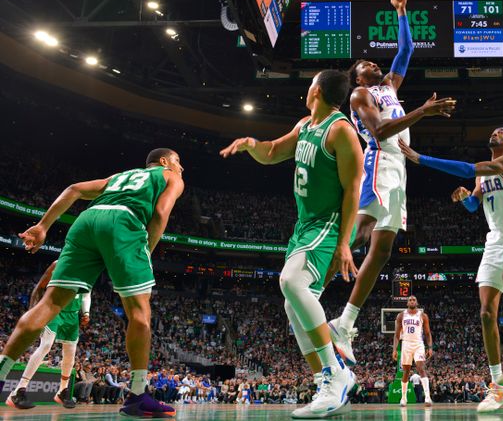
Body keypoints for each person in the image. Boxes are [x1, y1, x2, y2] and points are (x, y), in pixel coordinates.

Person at [0, 148, 184, 418]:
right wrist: (147, 249)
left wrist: (42, 226)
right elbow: (160, 212)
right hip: (124, 222)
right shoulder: (171, 176)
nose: (182, 168)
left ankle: (2, 371)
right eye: (179, 162)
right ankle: (136, 395)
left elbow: (74, 189)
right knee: (140, 313)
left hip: (86, 220)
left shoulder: (121, 176)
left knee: (50, 303)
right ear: (165, 161)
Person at [220, 69, 361, 418]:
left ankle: (337, 375)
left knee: (291, 282)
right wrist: (252, 144)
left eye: (311, 81)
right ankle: (325, 382)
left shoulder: (341, 131)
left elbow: (353, 189)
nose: (307, 86)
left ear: (318, 90)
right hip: (303, 226)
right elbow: (271, 153)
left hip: (327, 224)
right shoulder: (305, 125)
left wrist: (344, 242)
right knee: (292, 304)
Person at [328, 0, 457, 366]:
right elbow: (382, 129)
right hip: (380, 160)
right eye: (363, 63)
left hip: (399, 170)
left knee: (382, 250)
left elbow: (408, 47)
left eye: (372, 61)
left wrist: (400, 8)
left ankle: (345, 323)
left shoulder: (390, 86)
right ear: (357, 77)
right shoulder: (360, 94)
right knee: (361, 233)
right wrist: (424, 111)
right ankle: (311, 276)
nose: (371, 61)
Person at [399, 128, 503, 413]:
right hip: (496, 238)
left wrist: (419, 158)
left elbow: (464, 168)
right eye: (495, 131)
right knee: (486, 313)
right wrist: (465, 198)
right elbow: (475, 205)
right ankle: (498, 386)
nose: (496, 133)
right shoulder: (482, 175)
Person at [5, 260, 91, 409]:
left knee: (70, 353)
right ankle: (18, 390)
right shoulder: (59, 263)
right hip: (54, 309)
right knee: (45, 345)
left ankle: (62, 390)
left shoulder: (89, 270)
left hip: (72, 315)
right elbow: (39, 287)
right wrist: (32, 311)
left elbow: (86, 295)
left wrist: (86, 312)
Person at [392, 295, 433, 407]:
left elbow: (428, 333)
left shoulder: (423, 316)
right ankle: (404, 397)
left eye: (414, 299)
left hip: (418, 344)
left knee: (421, 368)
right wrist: (395, 349)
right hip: (406, 344)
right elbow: (396, 335)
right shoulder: (401, 315)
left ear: (417, 302)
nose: (412, 301)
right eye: (410, 300)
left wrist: (430, 347)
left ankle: (428, 397)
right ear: (407, 303)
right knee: (406, 371)